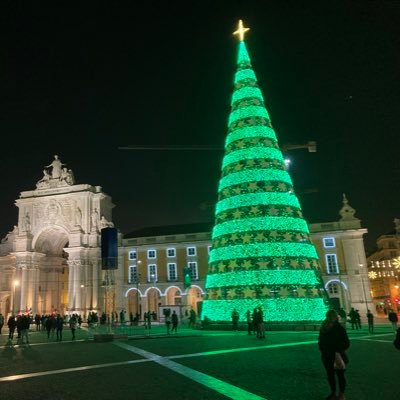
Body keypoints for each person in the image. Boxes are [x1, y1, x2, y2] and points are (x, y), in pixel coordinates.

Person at [318, 309, 350, 400]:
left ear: (335, 317)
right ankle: (333, 393)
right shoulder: (323, 328)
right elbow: (320, 341)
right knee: (330, 376)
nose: (330, 318)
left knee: (340, 376)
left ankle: (341, 394)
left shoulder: (339, 328)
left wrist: (337, 350)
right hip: (327, 356)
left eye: (331, 316)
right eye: (329, 316)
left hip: (337, 356)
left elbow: (346, 343)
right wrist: (322, 349)